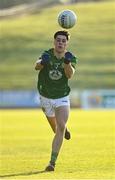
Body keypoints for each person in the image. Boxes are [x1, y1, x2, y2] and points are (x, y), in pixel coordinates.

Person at [35, 30, 78, 171]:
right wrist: (42, 62)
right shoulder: (47, 54)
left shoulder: (70, 57)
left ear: (67, 43)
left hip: (62, 97)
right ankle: (63, 129)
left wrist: (67, 63)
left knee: (60, 127)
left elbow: (70, 75)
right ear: (54, 42)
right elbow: (37, 66)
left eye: (63, 41)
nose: (60, 43)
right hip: (45, 96)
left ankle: (52, 163)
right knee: (55, 128)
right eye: (58, 40)